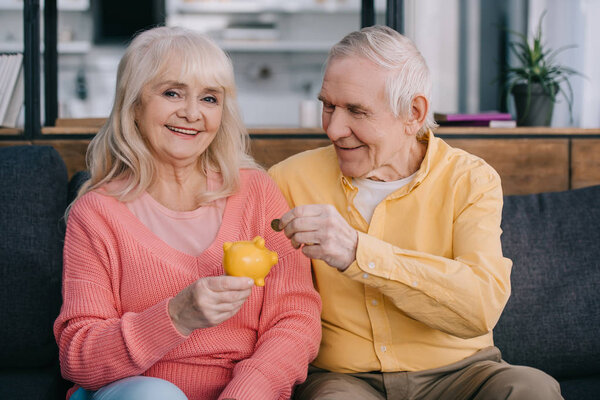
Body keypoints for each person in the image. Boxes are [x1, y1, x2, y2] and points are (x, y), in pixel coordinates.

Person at [268, 25, 562, 400]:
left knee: (532, 389)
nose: (334, 129)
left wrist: (359, 252)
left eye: (356, 110)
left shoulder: (471, 180)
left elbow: (480, 305)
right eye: (328, 106)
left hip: (463, 374)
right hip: (346, 379)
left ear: (413, 112)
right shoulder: (288, 180)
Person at [54, 26, 321, 400]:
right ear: (134, 105)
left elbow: (296, 320)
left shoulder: (256, 192)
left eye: (209, 98)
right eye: (172, 93)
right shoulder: (96, 213)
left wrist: (246, 393)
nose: (192, 113)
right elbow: (78, 359)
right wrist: (176, 316)